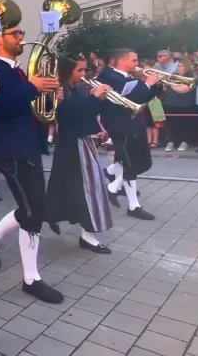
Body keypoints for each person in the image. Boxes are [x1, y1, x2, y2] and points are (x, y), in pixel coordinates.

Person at [0, 23, 64, 304]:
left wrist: (50, 95)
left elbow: (27, 104)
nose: (21, 37)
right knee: (33, 210)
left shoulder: (17, 69)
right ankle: (30, 278)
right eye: (15, 33)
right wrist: (32, 87)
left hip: (28, 146)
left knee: (33, 208)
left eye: (21, 32)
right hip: (11, 150)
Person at [46, 56, 114, 252]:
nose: (84, 74)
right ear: (68, 72)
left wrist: (99, 100)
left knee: (69, 187)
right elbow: (68, 114)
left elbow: (85, 113)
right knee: (89, 189)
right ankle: (87, 235)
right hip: (73, 144)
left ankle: (51, 215)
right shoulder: (59, 91)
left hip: (78, 143)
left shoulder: (74, 90)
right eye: (80, 71)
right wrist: (93, 97)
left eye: (85, 70)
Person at [99, 49, 161, 220]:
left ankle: (113, 181)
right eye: (134, 60)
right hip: (119, 125)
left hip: (131, 123)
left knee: (130, 160)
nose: (137, 64)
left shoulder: (127, 77)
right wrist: (147, 83)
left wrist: (155, 85)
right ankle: (133, 205)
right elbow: (128, 97)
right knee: (131, 162)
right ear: (122, 61)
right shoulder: (109, 76)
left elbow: (141, 98)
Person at [163, 60, 196, 152]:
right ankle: (171, 141)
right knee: (170, 124)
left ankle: (184, 142)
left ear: (186, 67)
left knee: (184, 123)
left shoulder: (190, 77)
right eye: (178, 66)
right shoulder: (174, 76)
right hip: (170, 102)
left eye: (181, 66)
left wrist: (169, 82)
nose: (178, 68)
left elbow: (182, 90)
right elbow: (165, 89)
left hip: (185, 103)